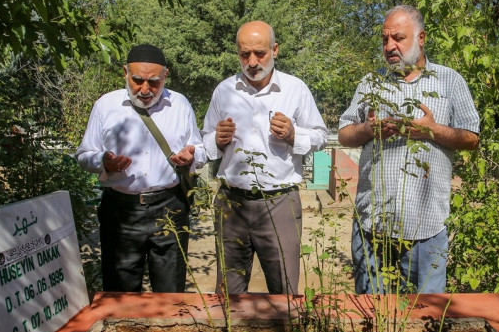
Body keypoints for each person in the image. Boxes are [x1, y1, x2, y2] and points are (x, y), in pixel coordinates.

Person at [338, 5, 480, 294]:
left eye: (398, 38)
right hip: (372, 227)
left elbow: (471, 138)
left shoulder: (449, 81)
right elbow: (343, 134)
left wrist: (432, 130)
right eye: (384, 39)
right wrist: (367, 130)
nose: (390, 46)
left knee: (426, 318)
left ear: (421, 38)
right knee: (371, 314)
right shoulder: (371, 83)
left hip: (426, 228)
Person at [202, 21, 328, 295]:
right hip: (231, 203)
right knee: (228, 293)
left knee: (284, 293)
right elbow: (205, 143)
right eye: (244, 54)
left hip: (279, 204)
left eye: (260, 53)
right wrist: (217, 140)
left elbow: (320, 137)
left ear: (275, 50)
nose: (252, 61)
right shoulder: (224, 91)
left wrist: (294, 134)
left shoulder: (295, 89)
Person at [76, 44, 206, 292]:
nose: (145, 89)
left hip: (170, 207)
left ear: (165, 75)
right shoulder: (106, 105)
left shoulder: (180, 104)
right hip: (120, 212)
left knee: (171, 294)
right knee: (121, 294)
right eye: (137, 80)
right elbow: (83, 155)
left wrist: (191, 155)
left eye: (154, 82)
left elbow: (199, 149)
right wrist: (103, 161)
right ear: (125, 72)